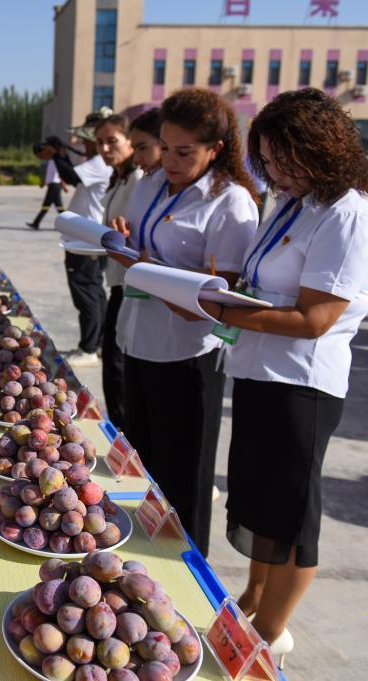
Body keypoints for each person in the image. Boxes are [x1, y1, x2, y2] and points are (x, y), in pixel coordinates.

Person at [203, 89, 368, 663]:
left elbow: (314, 319)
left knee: (292, 516)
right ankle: (254, 598)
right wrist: (218, 292)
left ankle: (269, 632)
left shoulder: (349, 215)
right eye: (268, 161)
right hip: (260, 371)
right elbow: (266, 283)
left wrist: (227, 311)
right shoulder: (297, 203)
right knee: (260, 503)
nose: (277, 173)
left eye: (286, 160)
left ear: (324, 149)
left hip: (302, 385)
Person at [109, 88, 259, 556]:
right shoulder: (151, 183)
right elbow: (138, 243)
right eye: (166, 148)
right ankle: (141, 564)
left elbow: (220, 293)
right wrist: (121, 242)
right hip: (137, 338)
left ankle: (187, 567)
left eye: (184, 152)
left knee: (185, 477)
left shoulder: (230, 202)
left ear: (215, 149)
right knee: (143, 468)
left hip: (186, 353)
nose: (170, 162)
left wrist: (153, 269)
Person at [94, 110, 158, 428]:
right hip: (119, 277)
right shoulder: (120, 178)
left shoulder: (139, 181)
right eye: (100, 143)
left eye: (112, 141)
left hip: (132, 280)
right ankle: (120, 426)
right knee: (114, 359)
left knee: (117, 361)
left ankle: (122, 430)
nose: (105, 149)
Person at [62, 111, 114, 368]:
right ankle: (98, 342)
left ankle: (89, 347)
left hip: (86, 241)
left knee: (87, 294)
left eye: (88, 140)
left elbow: (71, 176)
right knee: (94, 293)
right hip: (88, 238)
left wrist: (57, 155)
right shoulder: (97, 162)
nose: (83, 144)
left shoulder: (99, 163)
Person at [26, 137, 66, 229]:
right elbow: (49, 174)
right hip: (52, 185)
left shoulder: (55, 160)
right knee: (59, 207)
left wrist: (63, 185)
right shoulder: (51, 161)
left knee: (47, 205)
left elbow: (60, 173)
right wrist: (44, 182)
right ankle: (68, 224)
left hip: (55, 185)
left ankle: (36, 223)